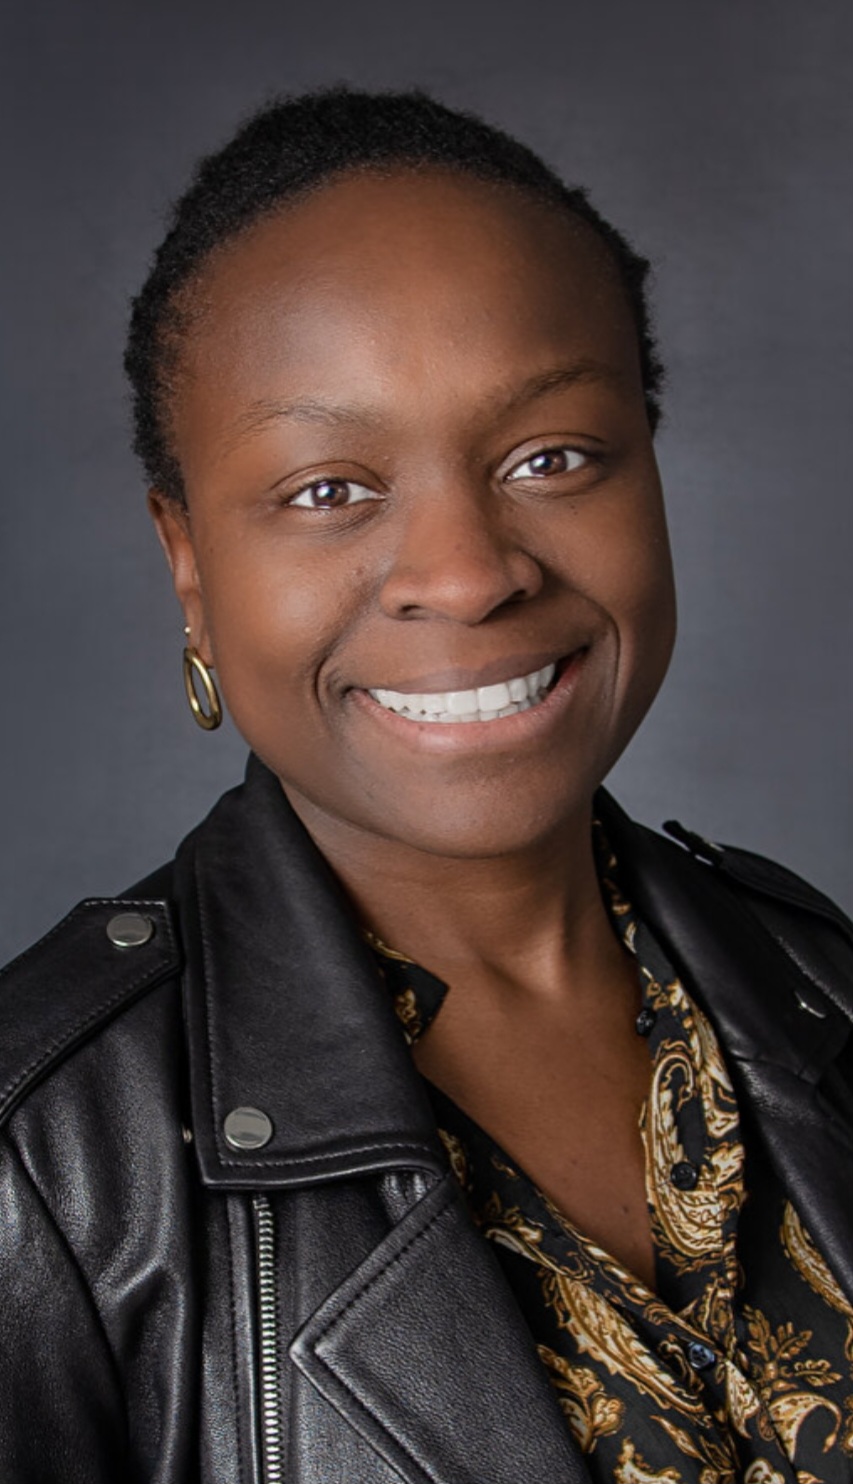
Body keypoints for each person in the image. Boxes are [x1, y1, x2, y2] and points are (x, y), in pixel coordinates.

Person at [0, 86, 851, 1484]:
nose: (465, 574)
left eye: (551, 457)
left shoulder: (818, 980)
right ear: (189, 563)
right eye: (328, 489)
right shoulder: (44, 1167)